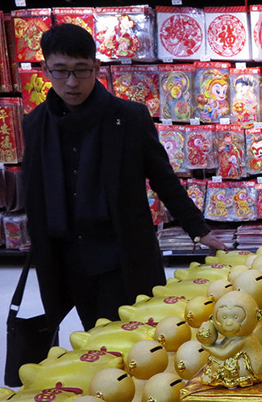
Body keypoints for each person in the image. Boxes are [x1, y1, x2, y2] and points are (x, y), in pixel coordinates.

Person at [22, 23, 226, 331]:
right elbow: (34, 192)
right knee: (94, 336)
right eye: (60, 71)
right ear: (45, 70)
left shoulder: (129, 118)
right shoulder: (36, 124)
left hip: (121, 254)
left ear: (97, 67)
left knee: (143, 335)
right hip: (68, 258)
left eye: (81, 70)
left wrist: (198, 230)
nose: (71, 82)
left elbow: (163, 179)